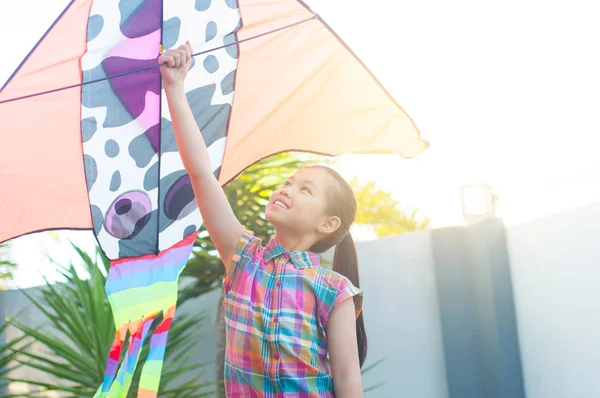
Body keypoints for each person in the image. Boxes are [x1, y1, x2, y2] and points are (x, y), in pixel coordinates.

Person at [159, 42, 367, 398]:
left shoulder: (335, 291)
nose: (287, 189)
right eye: (288, 182)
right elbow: (201, 175)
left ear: (328, 223)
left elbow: (348, 380)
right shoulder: (243, 259)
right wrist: (174, 87)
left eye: (305, 190)